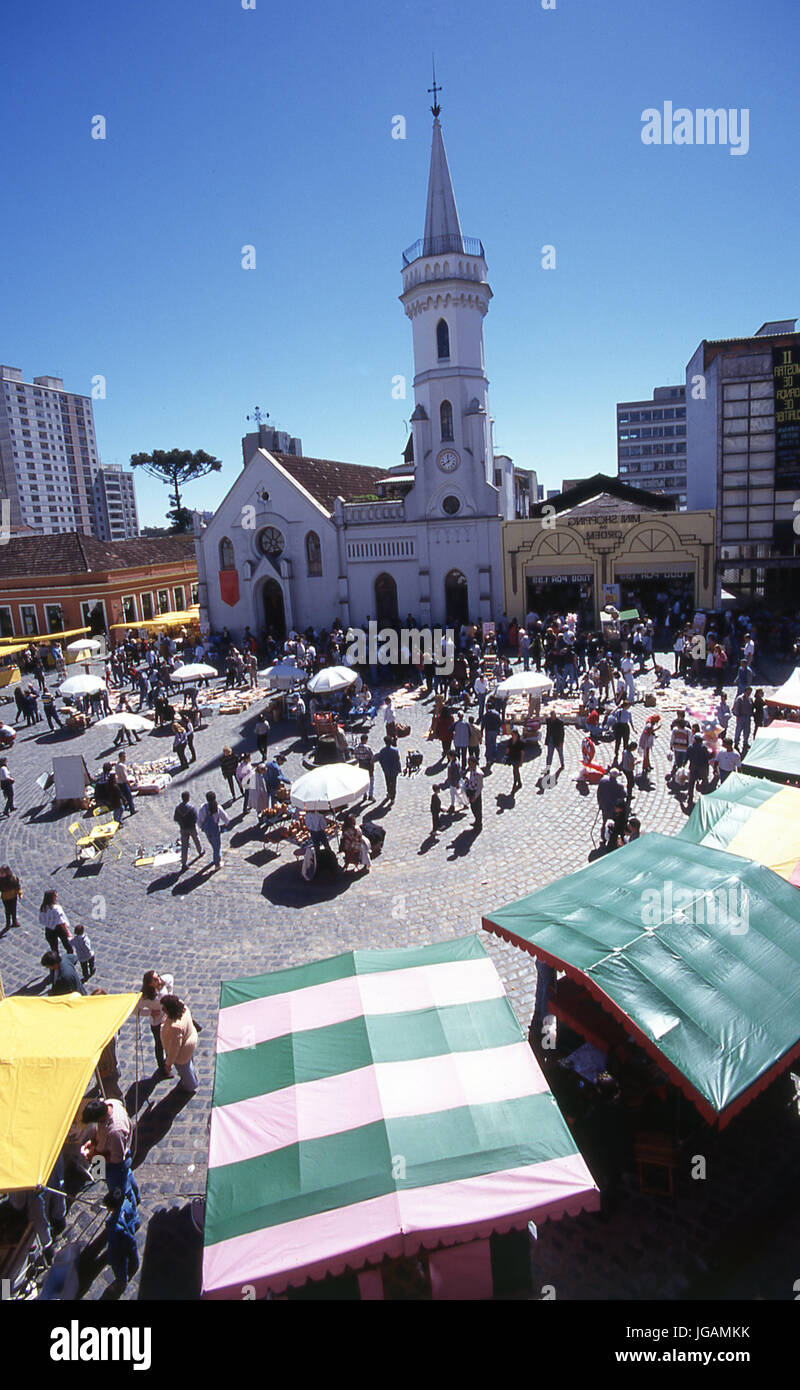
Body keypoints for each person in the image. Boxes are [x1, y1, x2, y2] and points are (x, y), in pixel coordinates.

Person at [137, 970, 175, 1072]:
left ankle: (169, 1063)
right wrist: (149, 1012)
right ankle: (162, 1068)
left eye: (158, 977)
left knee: (169, 1041)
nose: (158, 980)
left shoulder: (162, 984)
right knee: (159, 1044)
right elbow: (136, 1010)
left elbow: (170, 978)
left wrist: (170, 994)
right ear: (150, 984)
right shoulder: (145, 997)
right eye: (155, 979)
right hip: (157, 1023)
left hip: (167, 1018)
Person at [160, 995, 199, 1093]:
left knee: (185, 1069)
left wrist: (168, 1064)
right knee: (189, 1064)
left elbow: (174, 1048)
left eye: (164, 1008)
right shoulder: (183, 1008)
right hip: (190, 1041)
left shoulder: (175, 1027)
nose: (162, 1009)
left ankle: (191, 1085)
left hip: (182, 1053)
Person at [197, 791, 229, 870]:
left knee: (213, 844)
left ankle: (217, 857)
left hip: (207, 830)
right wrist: (225, 825)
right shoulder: (217, 808)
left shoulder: (203, 807)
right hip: (215, 829)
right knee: (216, 847)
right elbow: (226, 819)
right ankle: (217, 863)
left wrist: (201, 827)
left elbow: (199, 820)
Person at [174, 791, 204, 871]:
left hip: (183, 828)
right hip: (191, 828)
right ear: (188, 798)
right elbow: (195, 819)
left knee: (184, 846)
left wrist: (181, 823)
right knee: (196, 840)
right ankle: (200, 851)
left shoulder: (178, 808)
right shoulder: (191, 808)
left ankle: (184, 863)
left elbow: (175, 819)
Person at [39, 889, 73, 955]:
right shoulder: (57, 908)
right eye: (55, 895)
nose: (57, 896)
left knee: (54, 949)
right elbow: (62, 922)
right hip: (59, 928)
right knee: (68, 946)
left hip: (49, 930)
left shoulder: (43, 908)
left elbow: (41, 920)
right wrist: (68, 933)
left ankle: (57, 961)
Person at [686, 734, 711, 808]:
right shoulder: (704, 748)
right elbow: (708, 757)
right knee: (705, 780)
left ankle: (690, 797)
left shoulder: (690, 747)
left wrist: (684, 763)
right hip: (703, 768)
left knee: (691, 783)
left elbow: (687, 756)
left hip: (693, 767)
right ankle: (705, 795)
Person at [376, 736, 401, 804]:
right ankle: (392, 797)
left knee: (388, 782)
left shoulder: (382, 751)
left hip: (386, 770)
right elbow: (397, 761)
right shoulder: (395, 751)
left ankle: (389, 793)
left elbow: (380, 760)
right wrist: (399, 768)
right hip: (394, 770)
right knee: (393, 783)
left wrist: (383, 767)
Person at [464, 757, 484, 832]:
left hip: (475, 793)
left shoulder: (479, 773)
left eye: (470, 764)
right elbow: (469, 775)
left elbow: (480, 787)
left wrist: (475, 797)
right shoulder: (471, 770)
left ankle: (479, 825)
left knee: (477, 810)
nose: (469, 765)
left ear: (475, 763)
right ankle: (476, 821)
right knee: (473, 808)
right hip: (471, 790)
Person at [354, 734, 376, 800]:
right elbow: (372, 758)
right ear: (365, 740)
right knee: (371, 780)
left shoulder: (356, 748)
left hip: (361, 765)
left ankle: (364, 794)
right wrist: (373, 766)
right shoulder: (367, 748)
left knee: (363, 780)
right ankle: (370, 795)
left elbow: (356, 757)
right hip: (368, 765)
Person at [0, 864, 22, 929]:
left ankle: (14, 921)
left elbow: (17, 886)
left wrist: (19, 893)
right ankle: (8, 923)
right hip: (5, 898)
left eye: (2, 873)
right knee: (7, 910)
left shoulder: (13, 878)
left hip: (13, 896)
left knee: (13, 909)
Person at [483, 701, 502, 768]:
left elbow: (483, 723)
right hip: (495, 731)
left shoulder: (486, 714)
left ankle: (488, 758)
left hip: (488, 731)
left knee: (488, 745)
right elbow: (500, 722)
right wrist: (498, 729)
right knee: (494, 743)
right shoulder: (496, 713)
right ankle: (494, 756)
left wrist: (482, 731)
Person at [733, 687, 753, 752]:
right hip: (741, 717)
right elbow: (736, 707)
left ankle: (745, 742)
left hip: (748, 717)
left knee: (747, 731)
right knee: (738, 730)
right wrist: (737, 715)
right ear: (745, 691)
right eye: (748, 692)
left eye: (750, 692)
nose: (749, 693)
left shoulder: (750, 699)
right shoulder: (740, 699)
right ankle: (736, 743)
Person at [507, 728, 524, 793]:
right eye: (512, 734)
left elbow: (522, 752)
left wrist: (521, 761)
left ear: (516, 734)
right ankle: (519, 782)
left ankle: (516, 781)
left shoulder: (520, 742)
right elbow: (508, 749)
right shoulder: (510, 741)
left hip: (517, 758)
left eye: (513, 734)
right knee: (516, 770)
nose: (512, 735)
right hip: (512, 757)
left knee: (515, 770)